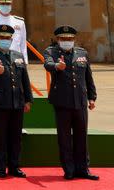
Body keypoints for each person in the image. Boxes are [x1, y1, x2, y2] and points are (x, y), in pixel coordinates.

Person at [43, 25, 98, 180]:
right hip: (62, 102)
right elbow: (47, 64)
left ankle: (83, 169)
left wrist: (92, 97)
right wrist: (57, 66)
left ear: (74, 40)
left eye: (70, 39)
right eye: (64, 39)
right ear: (58, 40)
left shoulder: (82, 53)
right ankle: (69, 169)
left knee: (81, 136)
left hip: (80, 101)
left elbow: (88, 77)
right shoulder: (51, 52)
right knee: (65, 138)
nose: (67, 41)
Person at [0, 24, 32, 178]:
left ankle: (14, 166)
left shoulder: (18, 55)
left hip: (17, 102)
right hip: (0, 103)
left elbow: (25, 79)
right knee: (0, 137)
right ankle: (1, 167)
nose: (5, 40)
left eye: (7, 38)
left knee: (15, 137)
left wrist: (28, 100)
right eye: (2, 38)